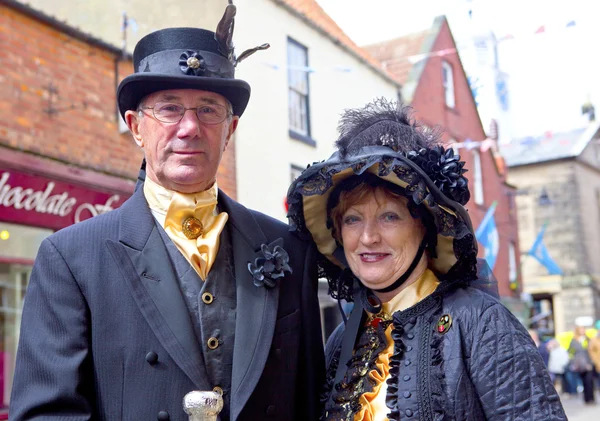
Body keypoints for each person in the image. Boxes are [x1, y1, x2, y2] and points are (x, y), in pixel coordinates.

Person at [9, 3, 324, 421]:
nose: (190, 127)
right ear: (136, 126)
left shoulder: (287, 248)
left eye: (208, 110)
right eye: (169, 108)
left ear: (229, 130)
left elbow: (312, 402)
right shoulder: (70, 258)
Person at [286, 99, 567, 420]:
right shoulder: (344, 339)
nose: (367, 237)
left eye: (389, 217)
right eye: (352, 220)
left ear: (425, 227)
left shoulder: (482, 323)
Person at [568, 325, 596, 404]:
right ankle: (586, 399)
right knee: (583, 381)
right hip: (579, 364)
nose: (583, 331)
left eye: (583, 330)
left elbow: (591, 352)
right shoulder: (574, 341)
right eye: (581, 330)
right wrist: (573, 362)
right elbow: (570, 352)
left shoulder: (588, 339)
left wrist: (591, 362)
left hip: (588, 363)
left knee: (590, 381)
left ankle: (591, 398)